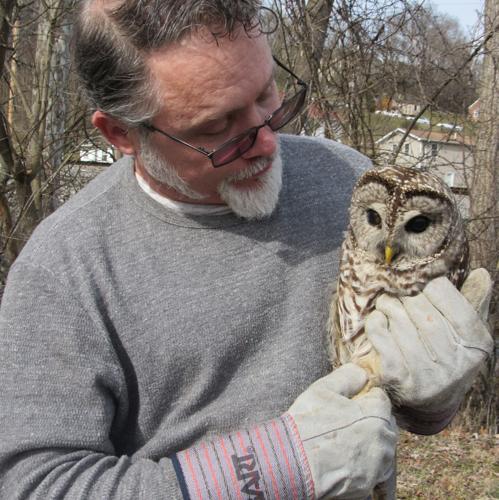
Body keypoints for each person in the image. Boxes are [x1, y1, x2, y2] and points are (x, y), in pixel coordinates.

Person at [0, 1, 493, 499]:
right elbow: (34, 484)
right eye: (217, 129)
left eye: (267, 96)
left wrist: (432, 393)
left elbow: (409, 408)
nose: (266, 141)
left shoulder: (350, 184)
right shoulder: (65, 268)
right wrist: (271, 467)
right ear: (121, 133)